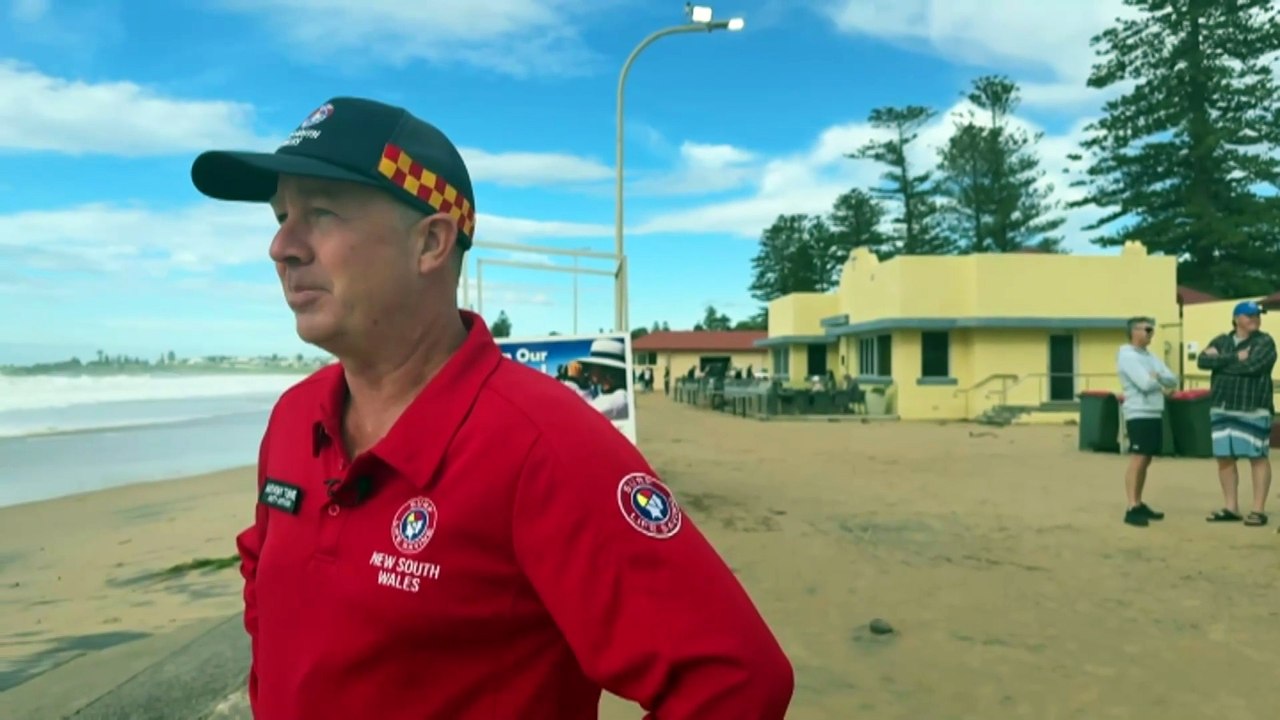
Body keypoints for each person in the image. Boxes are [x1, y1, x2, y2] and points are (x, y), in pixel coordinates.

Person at [190, 96, 793, 719]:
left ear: (430, 242)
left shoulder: (543, 444)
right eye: (282, 214)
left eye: (319, 212)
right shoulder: (295, 418)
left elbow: (736, 681)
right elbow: (264, 573)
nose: (281, 246)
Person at [1197, 300, 1276, 527]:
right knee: (1224, 458)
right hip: (1222, 407)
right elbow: (1202, 361)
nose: (1255, 319)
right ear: (1236, 319)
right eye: (1249, 315)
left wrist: (1219, 363)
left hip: (1253, 407)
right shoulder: (1222, 340)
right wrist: (1235, 357)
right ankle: (1231, 507)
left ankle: (1258, 510)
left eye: (1257, 315)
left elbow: (1253, 367)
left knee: (1257, 457)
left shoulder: (1265, 342)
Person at [1115, 316, 1178, 526]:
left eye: (1152, 330)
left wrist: (1156, 376)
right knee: (1138, 458)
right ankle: (1131, 507)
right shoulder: (1127, 356)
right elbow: (1144, 383)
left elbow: (1172, 378)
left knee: (1147, 459)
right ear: (1134, 332)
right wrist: (1157, 379)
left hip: (1153, 411)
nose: (1151, 334)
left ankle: (1139, 502)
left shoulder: (1150, 356)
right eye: (1147, 330)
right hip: (1138, 412)